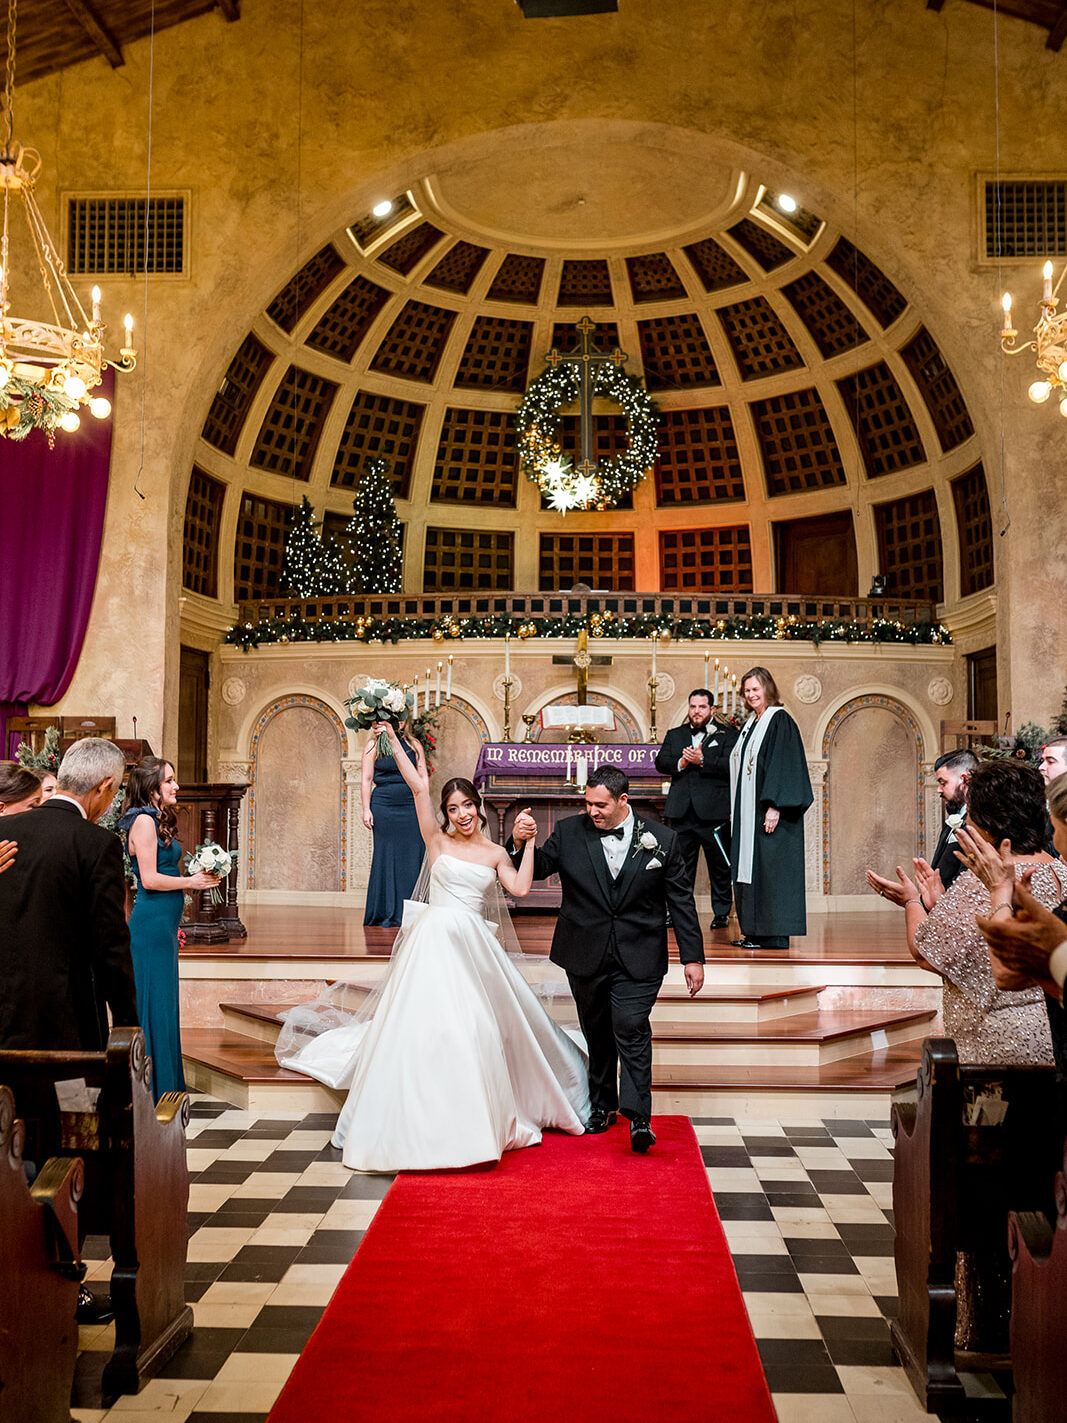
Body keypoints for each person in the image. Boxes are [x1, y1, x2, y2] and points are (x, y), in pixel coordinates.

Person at [278, 721, 589, 1172]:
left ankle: (475, 1120)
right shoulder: (436, 841)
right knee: (418, 1028)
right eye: (453, 807)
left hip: (472, 949)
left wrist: (529, 842)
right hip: (431, 945)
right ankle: (414, 1119)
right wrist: (396, 746)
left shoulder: (494, 854)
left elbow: (521, 889)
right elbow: (417, 788)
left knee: (476, 1029)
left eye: (467, 806)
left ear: (479, 809)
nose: (461, 814)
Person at [0, 738, 139, 1327]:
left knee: (10, 1149)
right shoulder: (96, 844)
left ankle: (15, 1277)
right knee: (72, 1147)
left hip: (4, 1032)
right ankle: (67, 1281)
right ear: (106, 790)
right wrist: (128, 1025)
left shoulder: (5, 837)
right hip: (68, 1043)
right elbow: (110, 948)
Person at [511, 764, 704, 1153]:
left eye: (600, 805)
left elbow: (680, 901)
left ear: (623, 801)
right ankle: (602, 1105)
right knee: (597, 1031)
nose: (593, 811)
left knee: (630, 1026)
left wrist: (692, 957)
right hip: (584, 950)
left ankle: (640, 1119)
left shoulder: (662, 840)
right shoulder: (568, 832)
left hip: (640, 953)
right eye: (587, 803)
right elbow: (537, 870)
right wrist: (521, 843)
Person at [867, 760, 1059, 1065]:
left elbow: (926, 953)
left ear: (986, 823)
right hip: (1055, 1032)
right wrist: (943, 904)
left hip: (1002, 1039)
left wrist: (912, 901)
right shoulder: (1060, 871)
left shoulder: (987, 881)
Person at [120, 757, 219, 1102]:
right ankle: (152, 1092)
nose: (176, 786)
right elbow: (147, 879)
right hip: (150, 926)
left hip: (163, 925)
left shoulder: (153, 819)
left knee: (163, 1005)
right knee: (155, 1005)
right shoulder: (144, 822)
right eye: (170, 781)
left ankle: (165, 1088)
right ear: (152, 789)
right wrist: (190, 881)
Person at [728, 666, 813, 951]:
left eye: (756, 689)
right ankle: (753, 931)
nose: (751, 694)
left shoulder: (780, 720)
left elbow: (784, 764)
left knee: (771, 870)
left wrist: (775, 805)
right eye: (747, 690)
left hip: (770, 812)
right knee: (751, 870)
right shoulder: (752, 723)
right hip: (749, 814)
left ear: (768, 689)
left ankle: (773, 934)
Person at [655, 688, 738, 930]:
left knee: (719, 868)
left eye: (702, 707)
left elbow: (731, 765)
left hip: (714, 814)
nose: (696, 711)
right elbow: (661, 761)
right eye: (693, 706)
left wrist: (702, 761)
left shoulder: (727, 735)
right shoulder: (675, 734)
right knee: (681, 869)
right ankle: (678, 913)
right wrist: (681, 762)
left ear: (712, 709)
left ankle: (721, 914)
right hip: (682, 813)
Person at [361, 715, 424, 927]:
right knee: (385, 857)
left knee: (413, 856)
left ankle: (413, 911)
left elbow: (423, 777)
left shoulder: (414, 745)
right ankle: (385, 911)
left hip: (411, 805)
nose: (400, 723)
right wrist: (366, 809)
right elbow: (367, 779)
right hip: (384, 807)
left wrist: (424, 806)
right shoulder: (373, 745)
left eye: (402, 719)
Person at [928, 749, 978, 892]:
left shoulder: (977, 821)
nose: (939, 790)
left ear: (964, 779)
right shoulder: (953, 819)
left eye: (943, 783)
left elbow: (966, 876)